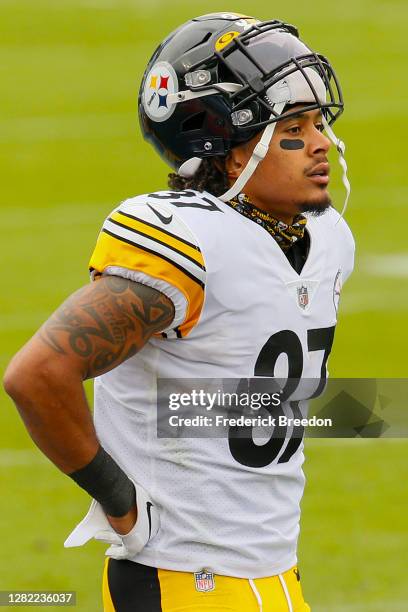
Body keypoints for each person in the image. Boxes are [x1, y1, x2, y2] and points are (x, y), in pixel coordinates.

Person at [3, 12, 354, 612]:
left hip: (275, 571)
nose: (322, 142)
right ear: (224, 145)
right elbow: (37, 376)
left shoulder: (326, 239)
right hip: (184, 579)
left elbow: (246, 396)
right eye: (292, 126)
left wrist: (377, 409)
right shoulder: (186, 239)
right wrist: (119, 503)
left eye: (319, 121)